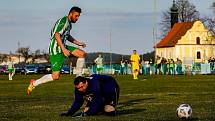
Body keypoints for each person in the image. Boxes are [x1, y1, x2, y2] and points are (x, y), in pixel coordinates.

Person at [27, 6, 86, 95]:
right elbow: (57, 35)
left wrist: (78, 43)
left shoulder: (69, 24)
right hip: (56, 49)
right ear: (71, 14)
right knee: (55, 76)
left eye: (78, 16)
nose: (77, 18)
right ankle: (34, 83)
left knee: (82, 54)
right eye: (76, 16)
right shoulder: (64, 21)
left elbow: (67, 36)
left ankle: (78, 79)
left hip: (63, 46)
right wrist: (63, 49)